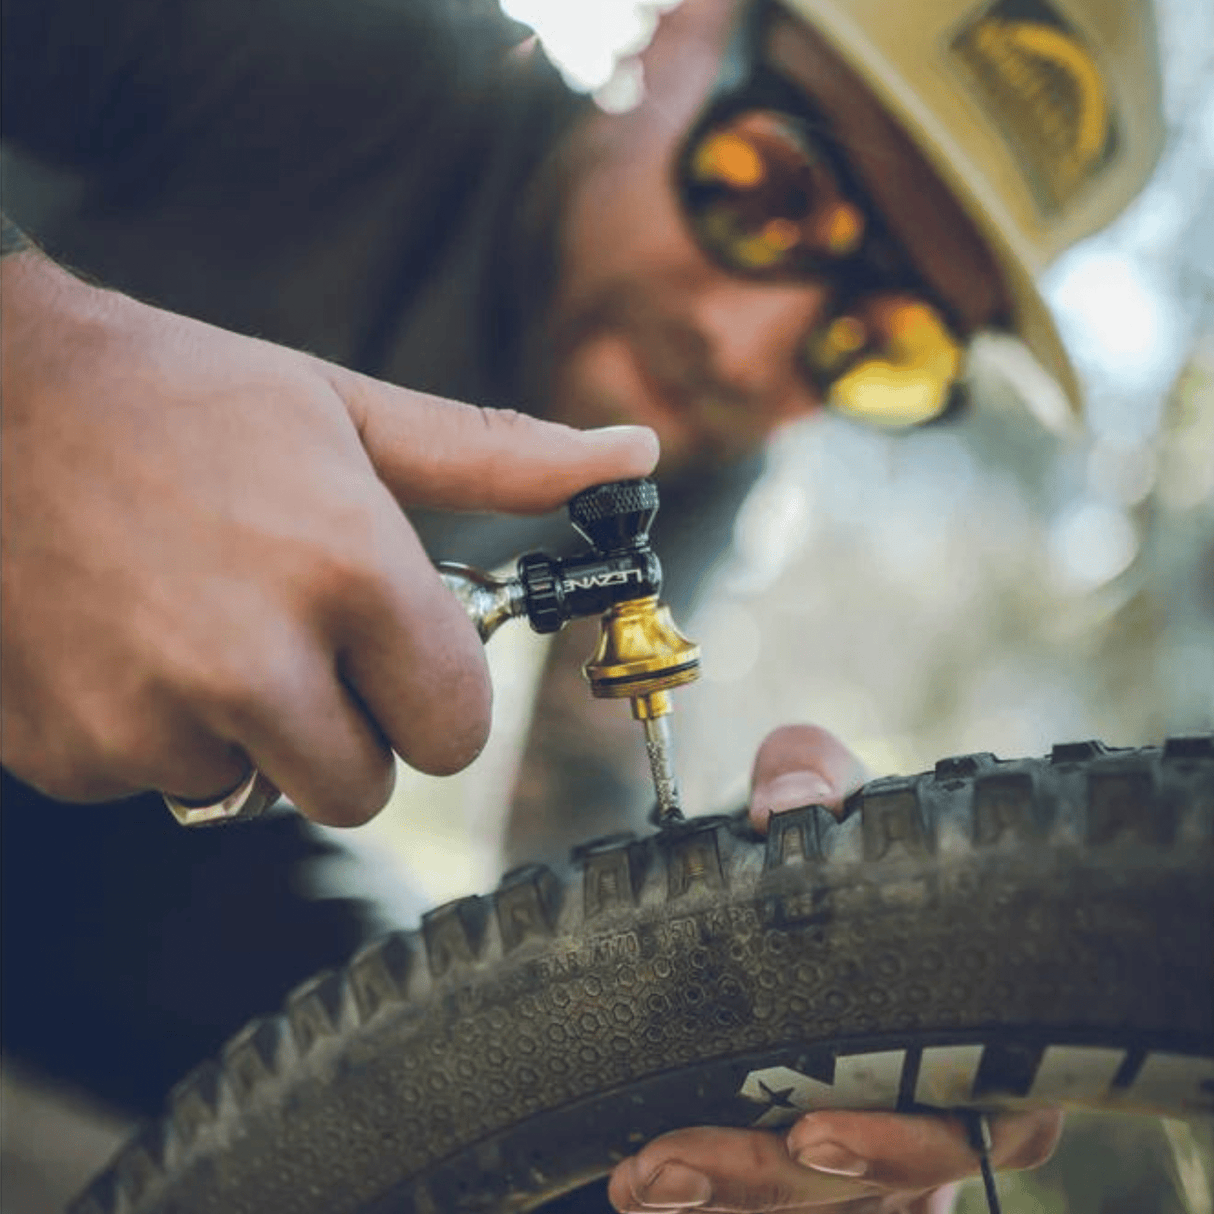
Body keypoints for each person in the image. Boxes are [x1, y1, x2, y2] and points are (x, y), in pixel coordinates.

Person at [0, 0, 1162, 1208]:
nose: (744, 347)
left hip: (103, 841)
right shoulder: (331, 45)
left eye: (880, 339)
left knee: (500, 1112)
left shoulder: (684, 450)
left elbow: (574, 818)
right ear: (680, 28)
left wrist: (733, 1003)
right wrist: (28, 375)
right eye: (772, 191)